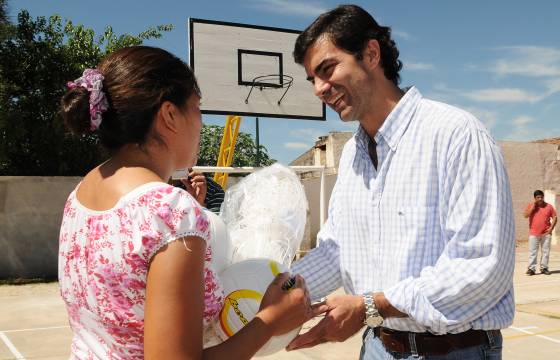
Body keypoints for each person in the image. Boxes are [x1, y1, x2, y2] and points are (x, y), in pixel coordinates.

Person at [288, 5, 515, 359]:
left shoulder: (455, 134)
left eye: (327, 69)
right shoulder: (351, 156)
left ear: (371, 54)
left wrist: (368, 307)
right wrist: (275, 291)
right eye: (312, 79)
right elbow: (336, 251)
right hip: (378, 346)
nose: (319, 88)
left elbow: (481, 267)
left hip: (454, 351)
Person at [58, 46, 311, 359]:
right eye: (198, 109)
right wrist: (270, 320)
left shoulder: (82, 192)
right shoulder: (171, 213)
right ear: (169, 115)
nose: (202, 123)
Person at [524, 190, 557, 276]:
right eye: (538, 197)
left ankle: (544, 268)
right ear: (535, 198)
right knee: (533, 252)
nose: (540, 199)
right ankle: (531, 269)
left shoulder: (549, 206)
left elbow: (555, 217)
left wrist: (551, 229)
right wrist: (533, 208)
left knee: (545, 251)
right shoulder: (531, 205)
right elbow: (525, 215)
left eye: (541, 197)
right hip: (534, 233)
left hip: (546, 233)